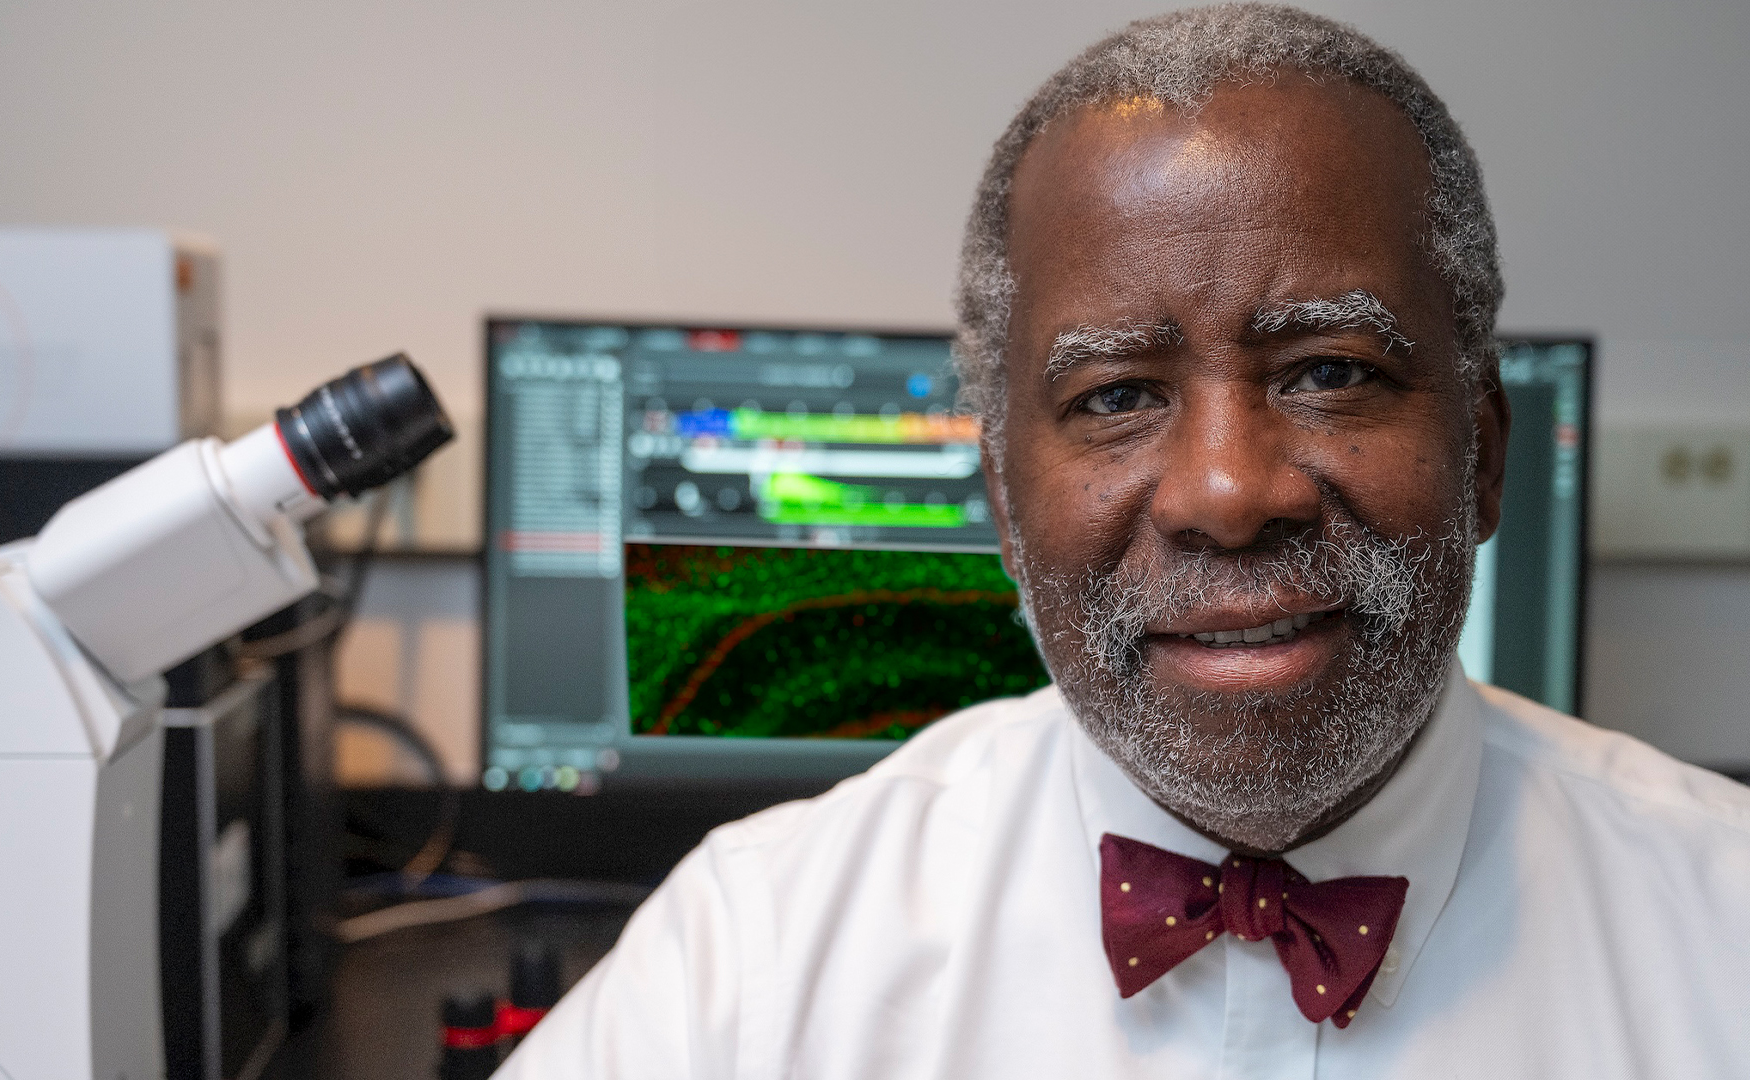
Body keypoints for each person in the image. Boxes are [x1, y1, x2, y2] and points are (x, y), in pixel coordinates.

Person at [498, 6, 1750, 1076]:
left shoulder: (1724, 931)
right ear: (1002, 502)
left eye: (1330, 371)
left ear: (1483, 456)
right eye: (1116, 396)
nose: (1227, 492)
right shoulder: (752, 961)